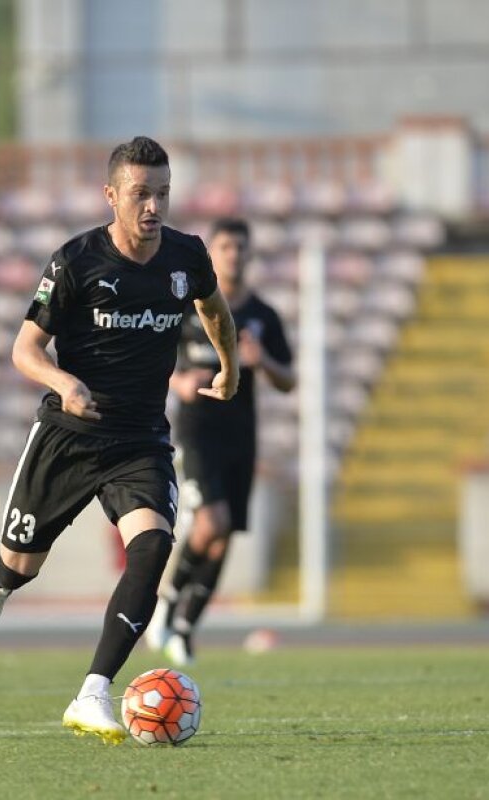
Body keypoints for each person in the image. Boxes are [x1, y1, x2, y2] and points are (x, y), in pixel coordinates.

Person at [0, 136, 239, 744]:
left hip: (139, 440)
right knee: (19, 564)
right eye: (141, 194)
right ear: (111, 195)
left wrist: (231, 366)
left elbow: (213, 308)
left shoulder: (186, 254)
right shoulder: (75, 262)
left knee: (153, 545)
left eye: (162, 194)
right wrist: (64, 383)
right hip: (69, 435)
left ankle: (93, 691)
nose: (153, 207)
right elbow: (25, 350)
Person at [148, 217, 295, 666]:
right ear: (212, 253)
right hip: (197, 429)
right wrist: (178, 382)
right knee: (212, 523)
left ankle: (186, 629)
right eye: (226, 247)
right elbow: (153, 356)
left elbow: (288, 380)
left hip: (241, 432)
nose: (234, 255)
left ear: (250, 254)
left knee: (224, 533)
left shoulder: (262, 316)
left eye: (241, 247)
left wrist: (261, 359)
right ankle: (167, 603)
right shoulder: (187, 307)